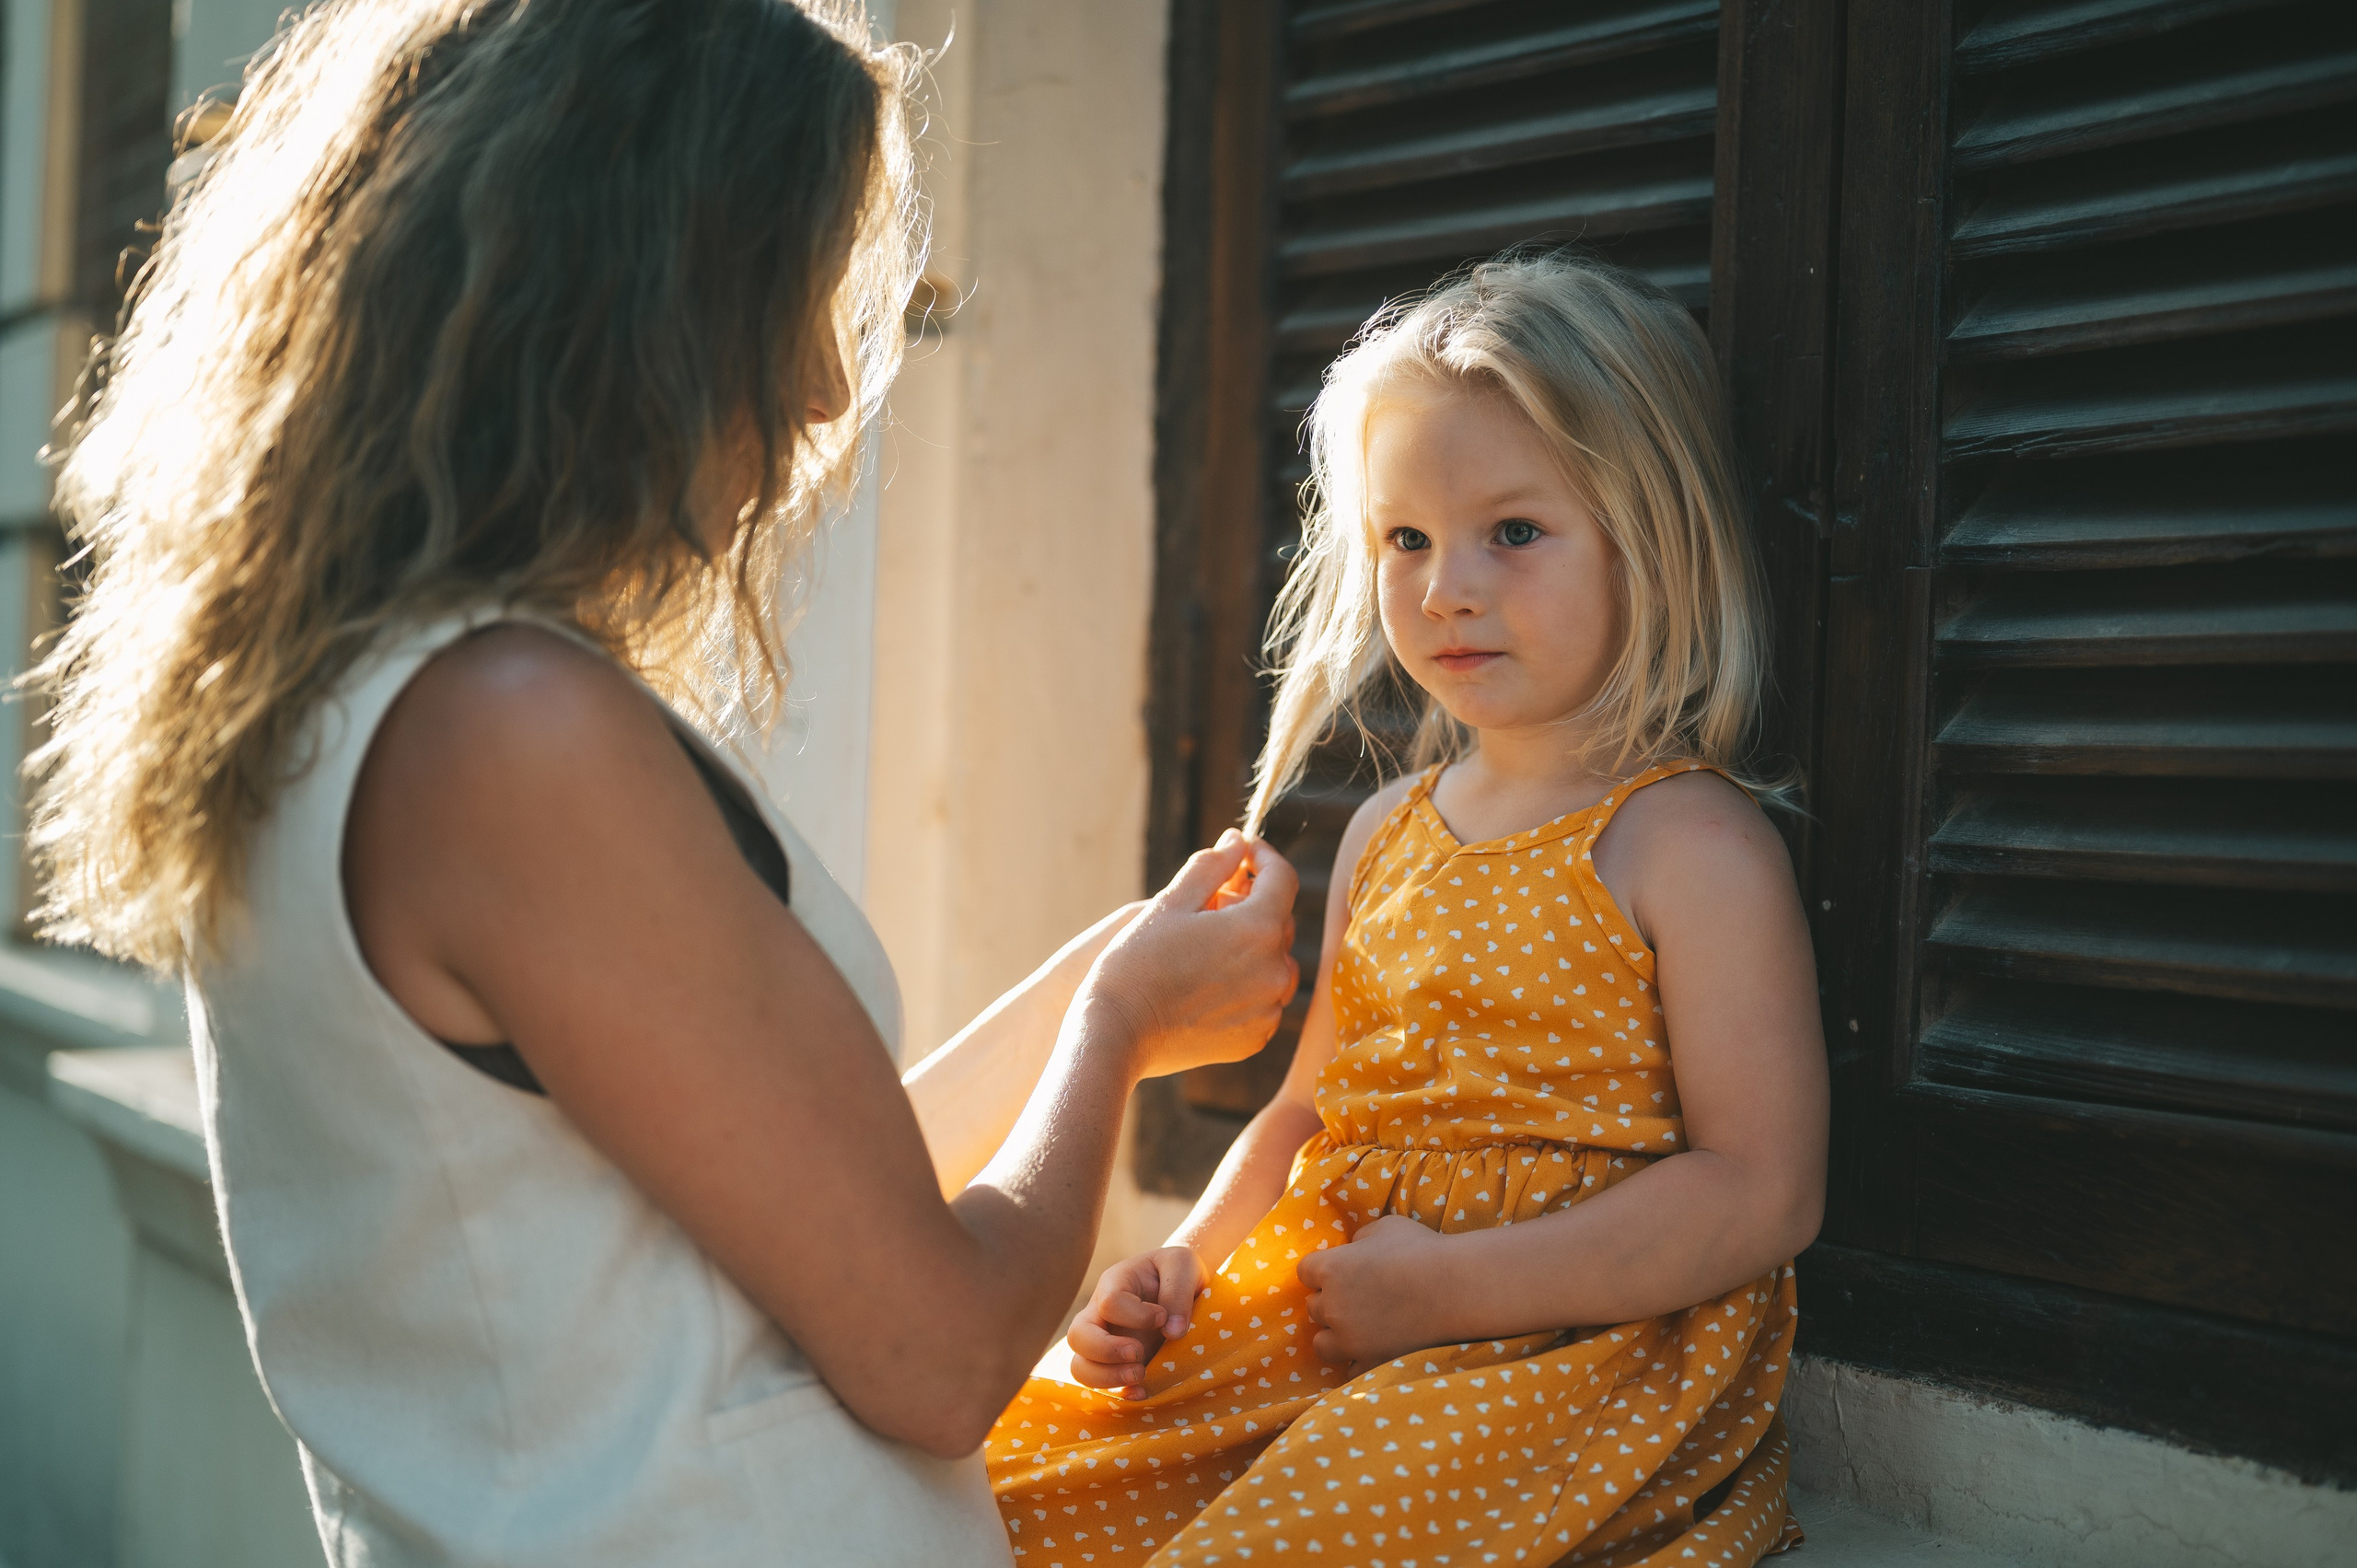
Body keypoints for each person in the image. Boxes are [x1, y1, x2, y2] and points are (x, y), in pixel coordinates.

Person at [30, 2, 1297, 1564]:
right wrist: (1116, 1035)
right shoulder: (505, 735)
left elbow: (800, 1210)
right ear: (635, 296)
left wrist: (1099, 984)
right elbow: (940, 1351)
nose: (823, 390)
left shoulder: (355, 708)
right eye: (789, 296)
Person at [985, 252, 1831, 1567]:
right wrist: (1185, 1263)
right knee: (1013, 1489)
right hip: (1341, 1310)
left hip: (1556, 1352)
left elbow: (1762, 1190)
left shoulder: (1690, 843)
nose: (1445, 591)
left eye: (1515, 532)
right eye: (1407, 540)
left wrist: (1448, 1291)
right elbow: (1304, 1114)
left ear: (1652, 540)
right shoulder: (1390, 829)